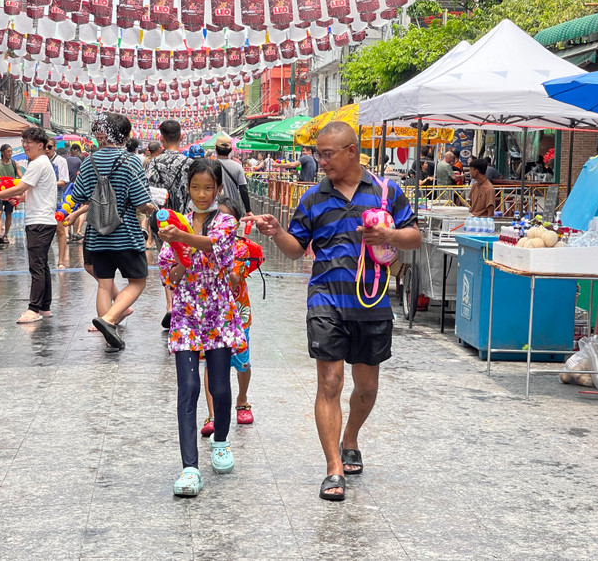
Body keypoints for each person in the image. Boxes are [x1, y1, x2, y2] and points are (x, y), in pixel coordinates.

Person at [244, 121, 422, 501]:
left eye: (327, 154)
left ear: (352, 151)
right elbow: (296, 248)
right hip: (325, 299)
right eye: (318, 154)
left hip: (372, 302)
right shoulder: (312, 198)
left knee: (368, 386)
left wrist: (389, 236)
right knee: (329, 383)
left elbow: (414, 236)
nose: (320, 161)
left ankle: (351, 437)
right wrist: (276, 232)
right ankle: (333, 469)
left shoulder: (387, 192)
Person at [157, 158, 245, 496]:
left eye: (209, 188)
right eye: (196, 188)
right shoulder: (177, 223)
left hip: (218, 313)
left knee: (220, 388)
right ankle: (190, 468)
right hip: (187, 312)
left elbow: (217, 248)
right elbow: (171, 274)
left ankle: (220, 440)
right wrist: (177, 252)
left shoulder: (225, 221)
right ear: (187, 188)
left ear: (218, 189)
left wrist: (183, 237)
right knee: (189, 387)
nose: (202, 194)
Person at [71, 113, 155, 350]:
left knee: (104, 284)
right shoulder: (131, 162)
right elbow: (141, 202)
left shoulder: (89, 161)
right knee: (138, 281)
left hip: (97, 234)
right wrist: (153, 206)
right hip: (126, 234)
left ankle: (109, 329)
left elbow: (78, 196)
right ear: (127, 136)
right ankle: (109, 320)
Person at [0, 128, 58, 323]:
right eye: (24, 141)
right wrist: (17, 197)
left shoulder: (38, 163)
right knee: (42, 265)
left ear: (41, 145)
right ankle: (44, 307)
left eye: (29, 142)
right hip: (43, 219)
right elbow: (27, 193)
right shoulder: (42, 163)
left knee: (36, 266)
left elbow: (21, 186)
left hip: (39, 221)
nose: (25, 145)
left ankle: (33, 309)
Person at [200, 197, 256, 437]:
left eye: (228, 219)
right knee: (210, 362)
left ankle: (242, 400)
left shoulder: (242, 248)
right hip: (211, 312)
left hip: (238, 312)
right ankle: (212, 414)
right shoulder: (203, 243)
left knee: (242, 362)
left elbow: (235, 279)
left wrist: (223, 258)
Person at [145, 120, 195, 328]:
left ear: (161, 138)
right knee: (186, 259)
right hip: (186, 221)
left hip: (161, 221)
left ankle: (170, 305)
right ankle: (185, 304)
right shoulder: (190, 164)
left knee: (166, 260)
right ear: (181, 137)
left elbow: (148, 194)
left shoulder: (153, 163)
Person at [45, 137, 71, 269]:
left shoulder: (60, 161)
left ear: (54, 147)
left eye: (50, 147)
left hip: (56, 199)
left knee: (60, 230)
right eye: (45, 146)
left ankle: (61, 260)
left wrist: (47, 184)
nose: (47, 149)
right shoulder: (39, 160)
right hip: (42, 201)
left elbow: (63, 181)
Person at [215, 136, 252, 217]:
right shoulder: (238, 166)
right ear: (230, 150)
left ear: (216, 149)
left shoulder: (210, 166)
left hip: (215, 210)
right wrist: (248, 210)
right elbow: (243, 189)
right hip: (233, 210)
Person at [0, 144, 22, 244]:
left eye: (11, 151)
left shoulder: (14, 164)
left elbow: (20, 177)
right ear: (2, 152)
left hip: (11, 193)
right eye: (8, 151)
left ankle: (6, 235)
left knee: (8, 214)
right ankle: (0, 235)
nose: (10, 153)